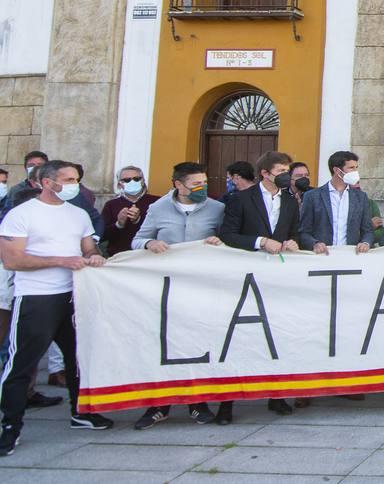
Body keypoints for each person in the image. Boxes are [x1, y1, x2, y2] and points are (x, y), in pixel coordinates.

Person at [0, 160, 112, 456]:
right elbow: (13, 260)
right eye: (68, 179)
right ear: (47, 182)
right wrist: (60, 261)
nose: (74, 184)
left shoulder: (78, 215)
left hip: (74, 295)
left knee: (79, 358)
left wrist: (94, 256)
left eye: (76, 178)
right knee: (22, 363)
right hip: (36, 298)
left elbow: (88, 247)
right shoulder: (20, 215)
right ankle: (10, 425)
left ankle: (81, 412)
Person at [130, 162, 226, 429]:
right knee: (164, 344)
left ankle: (198, 402)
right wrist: (149, 243)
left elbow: (228, 238)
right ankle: (159, 405)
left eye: (204, 182)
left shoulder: (217, 208)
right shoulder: (158, 208)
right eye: (195, 183)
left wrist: (220, 243)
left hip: (201, 288)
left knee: (198, 344)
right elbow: (137, 240)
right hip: (166, 288)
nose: (202, 187)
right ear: (178, 185)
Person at [216, 150, 300, 423]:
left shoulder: (289, 201)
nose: (285, 176)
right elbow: (227, 235)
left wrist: (293, 242)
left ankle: (276, 396)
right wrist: (260, 242)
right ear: (265, 173)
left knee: (276, 335)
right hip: (245, 275)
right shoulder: (240, 199)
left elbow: (293, 232)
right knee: (239, 338)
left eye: (287, 170)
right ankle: (226, 403)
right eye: (280, 171)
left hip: (277, 277)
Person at [298, 150, 375, 256]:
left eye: (356, 167)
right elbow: (304, 231)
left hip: (351, 256)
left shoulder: (360, 197)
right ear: (337, 171)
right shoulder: (312, 196)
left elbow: (368, 230)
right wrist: (314, 244)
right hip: (322, 257)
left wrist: (365, 243)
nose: (355, 172)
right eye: (351, 168)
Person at [100, 165, 157, 254]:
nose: (132, 182)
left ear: (143, 181)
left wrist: (137, 220)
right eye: (127, 180)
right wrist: (119, 224)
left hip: (149, 254)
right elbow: (102, 235)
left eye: (137, 179)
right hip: (119, 255)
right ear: (119, 184)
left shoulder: (156, 202)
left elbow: (162, 230)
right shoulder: (111, 205)